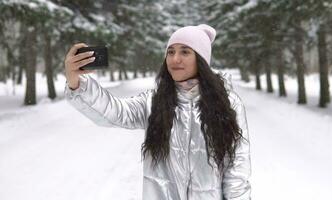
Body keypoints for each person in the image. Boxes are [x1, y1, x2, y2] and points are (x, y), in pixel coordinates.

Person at [64, 24, 251, 200]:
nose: (175, 59)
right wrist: (77, 83)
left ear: (201, 59)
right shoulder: (154, 101)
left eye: (185, 52)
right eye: (171, 52)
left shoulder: (228, 103)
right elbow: (114, 112)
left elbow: (237, 169)